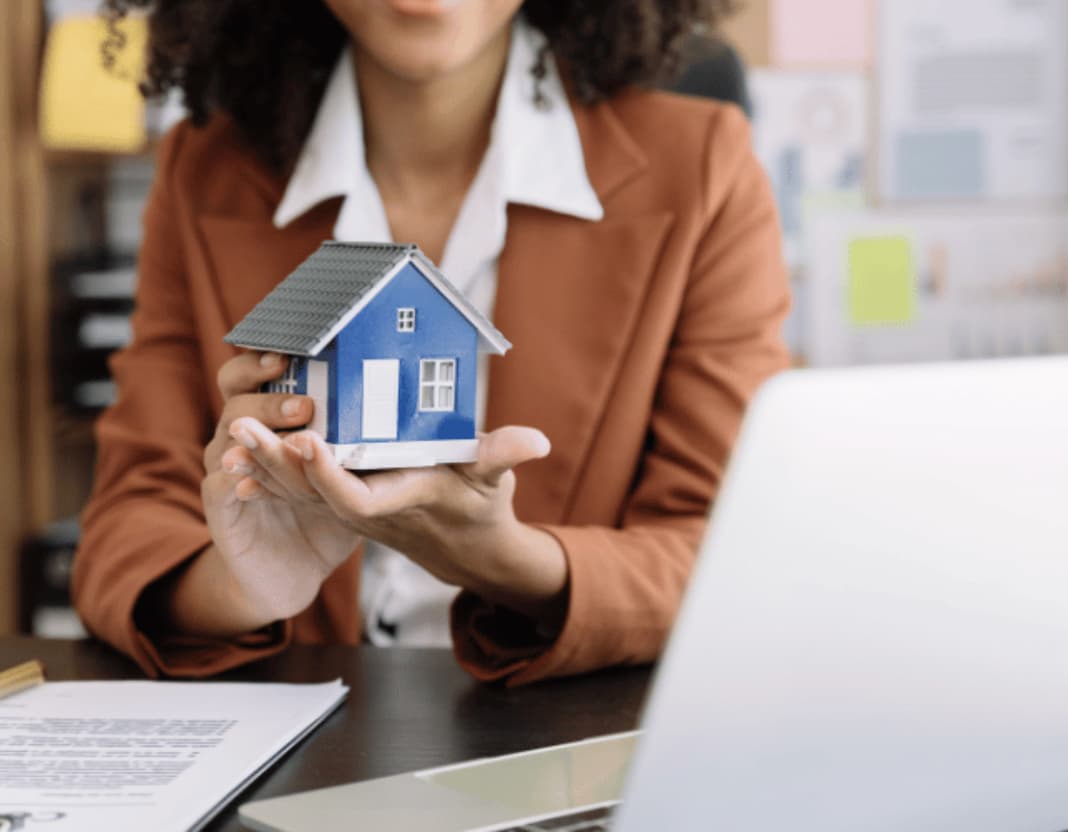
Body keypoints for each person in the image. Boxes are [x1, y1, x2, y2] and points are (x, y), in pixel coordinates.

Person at [72, 0, 791, 686]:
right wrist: (243, 584)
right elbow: (122, 535)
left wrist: (506, 559)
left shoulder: (702, 166)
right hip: (309, 734)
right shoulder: (205, 170)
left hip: (560, 734)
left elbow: (731, 557)